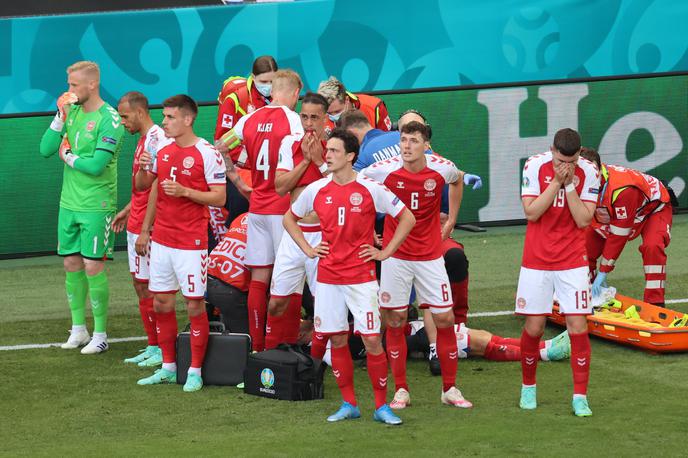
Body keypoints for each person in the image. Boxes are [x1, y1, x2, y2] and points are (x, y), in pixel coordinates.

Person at [283, 128, 415, 425]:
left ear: (351, 156)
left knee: (371, 340)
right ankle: (349, 404)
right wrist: (308, 249)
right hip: (328, 278)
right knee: (338, 338)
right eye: (326, 150)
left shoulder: (370, 188)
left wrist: (385, 252)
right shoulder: (318, 189)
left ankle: (382, 407)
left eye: (333, 151)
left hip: (361, 278)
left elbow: (407, 216)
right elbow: (289, 218)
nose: (327, 155)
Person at [361, 121, 471, 410]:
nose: (407, 146)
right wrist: (369, 228)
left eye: (413, 140)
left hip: (430, 256)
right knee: (394, 321)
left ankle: (449, 388)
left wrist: (451, 221)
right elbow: (359, 188)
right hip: (396, 257)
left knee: (445, 320)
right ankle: (401, 391)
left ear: (426, 145)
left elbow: (457, 179)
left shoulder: (441, 167)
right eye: (404, 140)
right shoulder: (383, 168)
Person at [134, 94, 226, 392]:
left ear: (188, 119)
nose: (164, 122)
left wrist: (186, 192)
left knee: (194, 305)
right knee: (161, 302)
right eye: (165, 117)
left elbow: (220, 197)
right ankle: (169, 367)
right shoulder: (161, 148)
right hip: (161, 238)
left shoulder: (207, 153)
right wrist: (144, 169)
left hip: (191, 242)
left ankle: (195, 370)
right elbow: (144, 188)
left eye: (170, 117)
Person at [39, 61, 124, 354]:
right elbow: (45, 149)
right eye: (69, 85)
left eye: (74, 86)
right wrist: (59, 118)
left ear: (92, 85)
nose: (69, 91)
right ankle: (78, 330)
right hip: (69, 203)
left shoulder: (110, 119)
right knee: (71, 263)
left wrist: (69, 157)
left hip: (97, 204)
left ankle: (100, 335)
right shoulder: (71, 112)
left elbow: (97, 166)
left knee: (92, 265)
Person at [215, 69, 304, 351]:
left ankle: (257, 347)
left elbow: (220, 146)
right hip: (283, 210)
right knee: (289, 279)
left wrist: (239, 180)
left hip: (257, 209)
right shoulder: (293, 121)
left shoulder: (250, 118)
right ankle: (283, 345)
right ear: (295, 93)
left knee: (259, 278)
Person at [517, 128, 599, 416]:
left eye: (572, 161)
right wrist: (555, 182)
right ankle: (528, 387)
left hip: (573, 260)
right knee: (534, 328)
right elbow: (531, 212)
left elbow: (584, 220)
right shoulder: (534, 165)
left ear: (579, 154)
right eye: (561, 160)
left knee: (578, 327)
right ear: (551, 150)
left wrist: (571, 186)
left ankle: (580, 397)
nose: (567, 167)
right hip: (536, 260)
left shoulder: (589, 171)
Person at [264, 91, 330, 350]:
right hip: (295, 234)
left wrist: (320, 161)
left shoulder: (336, 144)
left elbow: (342, 189)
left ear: (325, 119)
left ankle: (316, 362)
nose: (308, 123)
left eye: (315, 117)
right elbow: (280, 187)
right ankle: (271, 359)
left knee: (322, 303)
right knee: (277, 302)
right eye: (304, 116)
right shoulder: (289, 144)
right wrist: (305, 161)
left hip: (324, 235)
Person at [113, 91, 172, 366]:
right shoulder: (143, 140)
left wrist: (147, 228)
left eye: (125, 116)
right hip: (136, 220)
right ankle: (152, 344)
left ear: (139, 112)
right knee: (140, 284)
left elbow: (157, 185)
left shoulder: (158, 139)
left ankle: (162, 347)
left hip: (149, 225)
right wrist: (127, 211)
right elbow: (141, 187)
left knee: (152, 286)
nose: (123, 122)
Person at [579, 148, 674, 306]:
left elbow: (618, 235)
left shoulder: (622, 189)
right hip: (609, 212)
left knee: (653, 246)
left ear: (600, 168)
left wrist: (604, 271)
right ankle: (590, 295)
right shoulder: (575, 180)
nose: (590, 176)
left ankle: (655, 303)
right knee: (583, 249)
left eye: (593, 171)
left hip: (652, 209)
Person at [214, 55, 278, 241]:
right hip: (239, 168)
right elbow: (220, 142)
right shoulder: (236, 99)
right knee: (241, 202)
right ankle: (232, 243)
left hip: (270, 168)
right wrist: (243, 168)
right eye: (263, 81)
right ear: (253, 77)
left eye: (272, 81)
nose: (268, 86)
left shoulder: (281, 96)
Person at [207, 212, 251, 334]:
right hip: (231, 287)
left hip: (209, 276)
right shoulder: (276, 220)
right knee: (244, 339)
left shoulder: (241, 216)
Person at [317, 76, 392, 135]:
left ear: (347, 100)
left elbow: (388, 140)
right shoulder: (317, 115)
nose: (334, 116)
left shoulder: (375, 106)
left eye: (337, 111)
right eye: (329, 113)